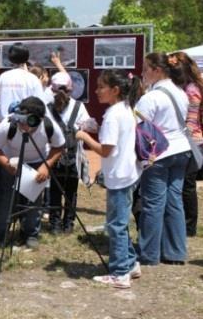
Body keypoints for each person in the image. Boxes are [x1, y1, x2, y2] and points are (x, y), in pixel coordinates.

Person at [76, 69, 142, 288]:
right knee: (119, 224)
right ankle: (130, 263)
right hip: (126, 172)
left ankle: (120, 272)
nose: (96, 91)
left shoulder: (113, 114)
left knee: (116, 225)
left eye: (101, 87)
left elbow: (106, 151)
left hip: (119, 177)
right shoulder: (125, 109)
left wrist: (84, 136)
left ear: (115, 90)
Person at [135, 52, 191, 265]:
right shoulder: (180, 92)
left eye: (145, 69)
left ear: (157, 70)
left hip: (158, 154)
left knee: (153, 204)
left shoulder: (151, 97)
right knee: (174, 201)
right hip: (181, 150)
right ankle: (176, 252)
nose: (143, 73)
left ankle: (149, 254)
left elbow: (138, 128)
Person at [0, 97, 64, 248]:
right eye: (22, 119)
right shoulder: (8, 124)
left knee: (33, 201)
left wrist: (46, 166)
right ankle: (1, 232)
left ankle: (30, 233)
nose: (23, 124)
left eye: (29, 121)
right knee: (6, 199)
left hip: (37, 162)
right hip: (12, 162)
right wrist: (7, 165)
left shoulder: (49, 126)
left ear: (40, 119)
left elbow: (59, 146)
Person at [47, 72, 92, 234]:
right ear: (71, 89)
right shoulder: (79, 107)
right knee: (71, 191)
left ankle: (54, 223)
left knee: (54, 190)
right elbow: (88, 125)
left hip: (53, 154)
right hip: (73, 155)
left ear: (52, 89)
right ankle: (69, 223)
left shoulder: (47, 107)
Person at [168, 51, 203, 237]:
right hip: (192, 141)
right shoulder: (191, 87)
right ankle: (186, 223)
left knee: (187, 185)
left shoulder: (191, 90)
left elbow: (191, 120)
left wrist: (182, 138)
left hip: (192, 142)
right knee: (184, 184)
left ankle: (189, 226)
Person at [0, 42, 44, 120]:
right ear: (27, 57)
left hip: (4, 123)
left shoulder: (3, 77)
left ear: (10, 58)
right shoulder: (32, 79)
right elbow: (40, 104)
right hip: (24, 124)